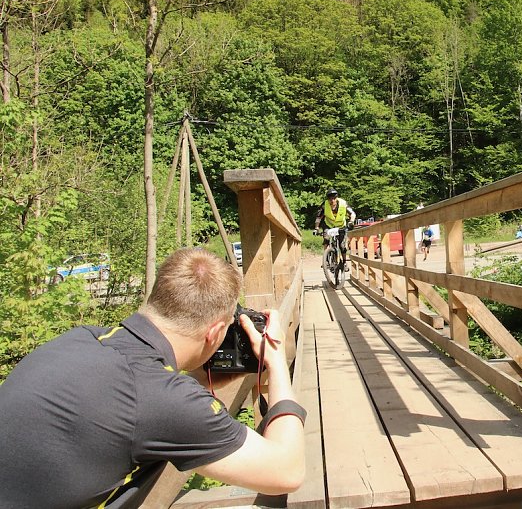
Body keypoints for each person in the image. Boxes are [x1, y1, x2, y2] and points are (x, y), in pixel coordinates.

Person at [0, 248, 305, 508]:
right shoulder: (159, 398)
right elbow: (286, 472)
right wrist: (276, 362)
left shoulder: (79, 340)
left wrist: (196, 380)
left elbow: (129, 402)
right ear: (214, 333)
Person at [314, 188, 356, 268]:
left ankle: (344, 262)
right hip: (329, 225)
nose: (332, 201)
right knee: (326, 238)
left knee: (342, 246)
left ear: (336, 198)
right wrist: (316, 228)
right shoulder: (324, 205)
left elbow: (352, 213)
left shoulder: (343, 204)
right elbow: (318, 217)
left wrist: (351, 221)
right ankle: (325, 260)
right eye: (330, 199)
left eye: (333, 198)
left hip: (341, 226)